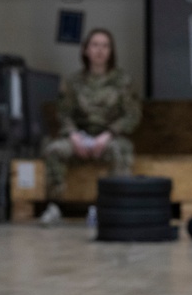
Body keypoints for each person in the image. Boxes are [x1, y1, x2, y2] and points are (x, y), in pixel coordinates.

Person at [40, 28, 142, 225]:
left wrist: (109, 135)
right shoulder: (74, 82)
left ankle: (112, 208)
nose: (100, 50)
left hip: (110, 137)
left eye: (105, 46)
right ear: (86, 50)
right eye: (95, 45)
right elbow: (64, 113)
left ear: (111, 52)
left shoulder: (123, 81)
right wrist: (73, 136)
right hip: (80, 136)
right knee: (53, 150)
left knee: (121, 151)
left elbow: (132, 115)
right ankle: (54, 206)